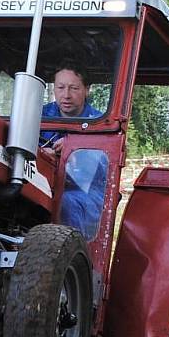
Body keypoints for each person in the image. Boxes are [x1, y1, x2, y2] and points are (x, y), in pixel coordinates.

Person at [39, 63, 107, 240]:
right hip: (42, 183)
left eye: (74, 88)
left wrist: (76, 147)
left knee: (65, 203)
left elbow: (104, 164)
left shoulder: (101, 122)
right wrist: (40, 151)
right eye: (60, 87)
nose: (66, 95)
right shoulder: (39, 115)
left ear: (87, 89)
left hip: (84, 192)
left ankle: (74, 258)